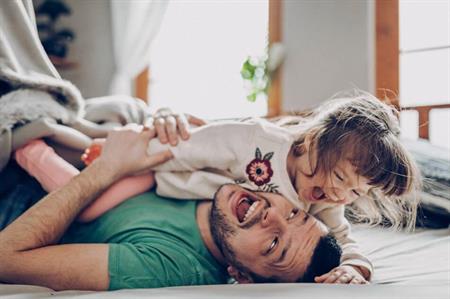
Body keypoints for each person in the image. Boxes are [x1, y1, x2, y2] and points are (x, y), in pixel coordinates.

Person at [14, 91, 421, 284]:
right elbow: (195, 144)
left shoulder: (321, 206)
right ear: (314, 144)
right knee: (101, 142)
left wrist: (356, 266)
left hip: (150, 182)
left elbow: (346, 239)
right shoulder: (257, 142)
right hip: (162, 168)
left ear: (241, 275)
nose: (337, 199)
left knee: (88, 204)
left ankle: (37, 155)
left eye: (354, 195)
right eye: (338, 182)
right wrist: (126, 150)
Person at [0, 127, 343, 290]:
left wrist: (110, 168)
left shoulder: (169, 267)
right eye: (295, 214)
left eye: (273, 245)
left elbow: (6, 258)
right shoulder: (238, 173)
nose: (273, 217)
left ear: (243, 277)